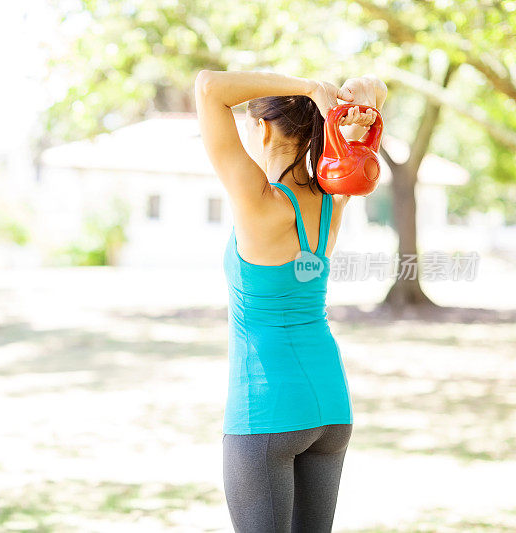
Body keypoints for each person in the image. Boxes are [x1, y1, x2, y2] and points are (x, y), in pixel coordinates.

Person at [193, 70, 387, 532]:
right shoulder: (332, 199)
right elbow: (376, 92)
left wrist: (305, 88)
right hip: (331, 408)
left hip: (267, 409)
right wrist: (360, 99)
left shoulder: (257, 199)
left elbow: (208, 87)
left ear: (261, 128)